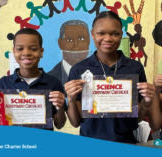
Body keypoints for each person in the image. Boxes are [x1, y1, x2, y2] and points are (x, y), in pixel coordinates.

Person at [65, 11, 155, 143]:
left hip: (126, 143)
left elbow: (138, 118)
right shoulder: (78, 69)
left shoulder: (135, 68)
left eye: (115, 33)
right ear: (92, 34)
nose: (108, 38)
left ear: (121, 34)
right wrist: (71, 99)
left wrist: (147, 102)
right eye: (101, 33)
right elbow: (75, 122)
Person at [0, 28, 67, 130]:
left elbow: (59, 125)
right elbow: (1, 125)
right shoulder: (4, 83)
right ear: (14, 51)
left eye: (33, 49)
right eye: (20, 49)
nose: (26, 53)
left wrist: (60, 108)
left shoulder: (54, 83)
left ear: (41, 52)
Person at [48, 20, 90, 87]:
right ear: (60, 44)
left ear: (89, 41)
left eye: (81, 39)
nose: (76, 48)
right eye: (69, 40)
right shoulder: (49, 79)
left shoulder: (101, 74)